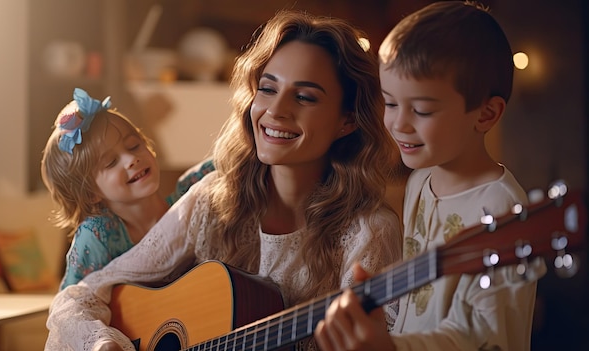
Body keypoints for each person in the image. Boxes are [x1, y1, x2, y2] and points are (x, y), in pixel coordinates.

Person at [44, 10, 403, 351]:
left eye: (305, 96)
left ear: (347, 121)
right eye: (267, 88)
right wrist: (101, 342)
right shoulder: (211, 200)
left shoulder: (368, 232)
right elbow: (81, 296)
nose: (276, 111)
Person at [314, 1, 546, 351]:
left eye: (421, 110)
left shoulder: (501, 207)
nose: (398, 124)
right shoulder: (420, 179)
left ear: (485, 115)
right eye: (391, 103)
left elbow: (484, 337)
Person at [41, 88, 214, 290]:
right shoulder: (98, 236)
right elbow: (74, 302)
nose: (132, 159)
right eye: (111, 162)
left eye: (133, 146)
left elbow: (232, 157)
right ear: (90, 193)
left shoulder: (191, 197)